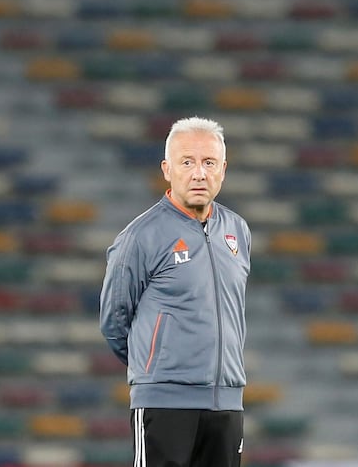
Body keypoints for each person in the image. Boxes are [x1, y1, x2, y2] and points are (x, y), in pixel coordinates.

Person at [100, 116, 251, 467]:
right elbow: (114, 321)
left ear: (223, 169)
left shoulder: (237, 231)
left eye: (209, 162)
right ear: (167, 169)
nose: (199, 173)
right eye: (187, 162)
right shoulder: (141, 236)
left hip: (227, 404)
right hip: (165, 405)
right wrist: (159, 369)